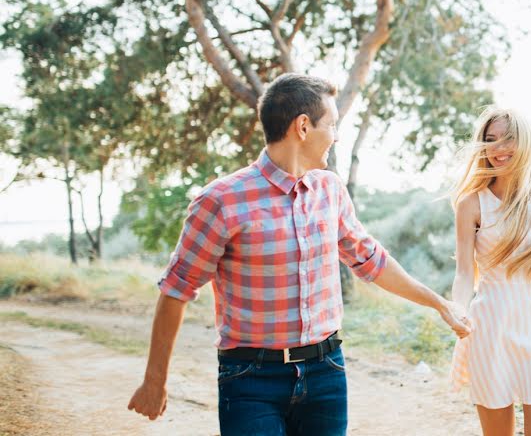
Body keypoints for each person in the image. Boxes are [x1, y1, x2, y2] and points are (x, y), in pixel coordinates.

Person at [127, 73, 471, 436]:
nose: (336, 137)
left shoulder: (330, 189)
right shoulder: (221, 200)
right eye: (332, 125)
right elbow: (176, 289)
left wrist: (439, 304)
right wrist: (154, 381)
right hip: (250, 379)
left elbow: (371, 260)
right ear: (303, 127)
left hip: (326, 374)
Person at [449, 107, 531, 436]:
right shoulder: (471, 204)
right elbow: (465, 273)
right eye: (490, 140)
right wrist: (458, 310)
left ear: (524, 143)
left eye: (508, 139)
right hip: (490, 327)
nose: (499, 148)